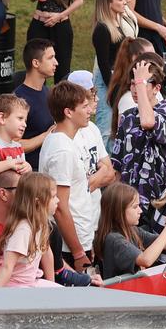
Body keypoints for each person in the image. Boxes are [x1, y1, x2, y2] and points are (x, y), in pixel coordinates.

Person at [41, 79, 117, 273]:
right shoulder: (62, 150)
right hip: (69, 245)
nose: (90, 110)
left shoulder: (64, 142)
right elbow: (60, 207)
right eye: (84, 106)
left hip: (81, 236)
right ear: (68, 112)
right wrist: (77, 252)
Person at [115, 55, 166, 209]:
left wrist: (140, 82)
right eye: (132, 84)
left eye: (142, 84)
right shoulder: (128, 116)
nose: (135, 89)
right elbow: (117, 162)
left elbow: (148, 122)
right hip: (130, 199)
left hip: (160, 197)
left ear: (157, 88)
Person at [94, 182, 166, 278]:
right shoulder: (114, 239)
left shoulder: (132, 230)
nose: (140, 211)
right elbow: (146, 260)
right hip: (120, 288)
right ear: (118, 211)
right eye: (135, 207)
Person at [0, 172, 65, 287]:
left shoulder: (41, 224)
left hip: (31, 282)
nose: (58, 200)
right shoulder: (24, 230)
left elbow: (47, 254)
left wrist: (51, 286)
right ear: (38, 202)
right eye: (53, 197)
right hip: (16, 286)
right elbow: (7, 267)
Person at [10, 38, 56, 166]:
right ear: (36, 63)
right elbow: (12, 144)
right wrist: (46, 136)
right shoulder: (18, 100)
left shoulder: (48, 92)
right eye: (50, 58)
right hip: (30, 170)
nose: (56, 63)